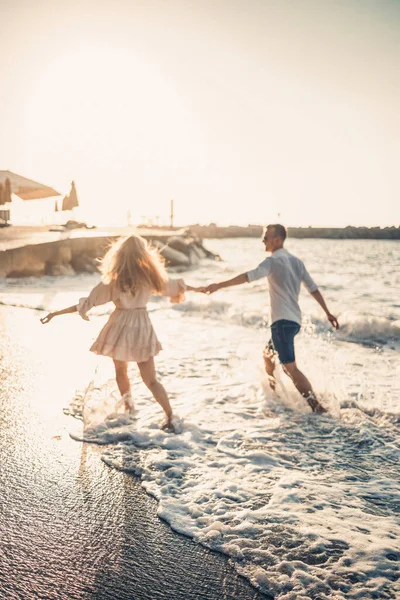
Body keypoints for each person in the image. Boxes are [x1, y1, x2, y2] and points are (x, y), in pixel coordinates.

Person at [40, 234, 200, 431]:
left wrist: (56, 313)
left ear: (120, 254)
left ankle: (130, 408)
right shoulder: (151, 277)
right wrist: (203, 288)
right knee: (151, 379)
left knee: (120, 371)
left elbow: (88, 303)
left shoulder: (114, 280)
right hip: (142, 327)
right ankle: (170, 416)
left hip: (119, 327)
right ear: (144, 253)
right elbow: (176, 287)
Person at [203, 224, 339, 413]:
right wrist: (327, 312)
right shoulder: (296, 261)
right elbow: (313, 288)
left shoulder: (272, 262)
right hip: (293, 322)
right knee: (268, 355)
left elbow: (247, 277)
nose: (263, 240)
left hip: (282, 323)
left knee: (290, 367)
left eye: (266, 237)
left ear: (278, 239)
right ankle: (276, 395)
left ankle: (317, 407)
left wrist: (218, 285)